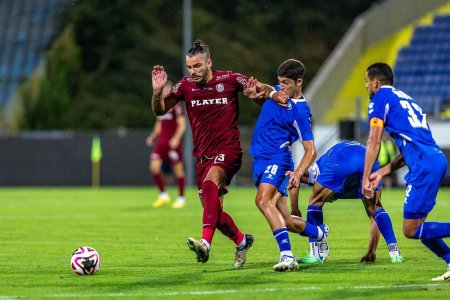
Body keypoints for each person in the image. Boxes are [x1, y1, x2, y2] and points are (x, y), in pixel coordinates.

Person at [151, 40, 285, 268]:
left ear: (209, 62)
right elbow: (159, 109)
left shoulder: (230, 79)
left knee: (212, 181)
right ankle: (242, 241)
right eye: (190, 67)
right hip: (202, 156)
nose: (193, 72)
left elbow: (260, 88)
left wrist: (269, 96)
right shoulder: (185, 86)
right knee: (214, 213)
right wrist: (156, 92)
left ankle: (205, 243)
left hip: (228, 151)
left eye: (197, 66)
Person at [362, 62, 450, 281]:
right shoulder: (406, 99)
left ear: (375, 82)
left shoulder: (380, 98)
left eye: (366, 82)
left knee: (410, 229)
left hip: (423, 165)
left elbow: (374, 140)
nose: (365, 87)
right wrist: (382, 172)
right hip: (434, 159)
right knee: (420, 226)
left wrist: (365, 178)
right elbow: (410, 146)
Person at [249, 59, 328, 271]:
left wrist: (298, 173)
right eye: (279, 82)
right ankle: (320, 233)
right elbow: (264, 89)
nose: (281, 86)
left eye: (285, 83)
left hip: (278, 158)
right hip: (260, 158)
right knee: (287, 221)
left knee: (263, 201)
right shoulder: (278, 93)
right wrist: (261, 91)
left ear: (299, 82)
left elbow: (311, 149)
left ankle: (287, 256)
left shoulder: (301, 112)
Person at [295, 141, 403, 265]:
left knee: (314, 200)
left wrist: (294, 208)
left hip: (342, 160)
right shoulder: (329, 160)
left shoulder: (318, 168)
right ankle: (394, 252)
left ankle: (315, 254)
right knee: (375, 208)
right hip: (369, 159)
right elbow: (374, 220)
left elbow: (295, 178)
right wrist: (371, 250)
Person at [146, 82, 187, 209]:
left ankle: (181, 198)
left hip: (172, 143)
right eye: (163, 90)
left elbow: (182, 124)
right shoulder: (161, 106)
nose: (165, 92)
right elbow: (159, 125)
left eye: (167, 89)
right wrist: (152, 136)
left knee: (178, 171)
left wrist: (176, 138)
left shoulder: (176, 106)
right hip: (161, 143)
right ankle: (163, 195)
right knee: (154, 167)